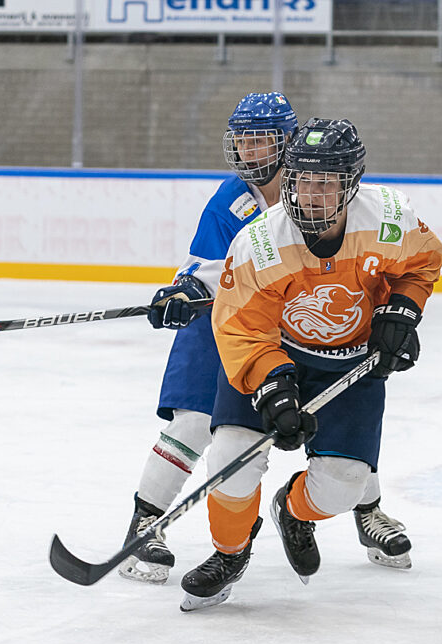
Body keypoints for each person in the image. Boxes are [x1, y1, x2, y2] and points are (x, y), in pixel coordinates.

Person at [121, 95, 413, 586]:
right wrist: (186, 289)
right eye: (243, 139)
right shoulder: (231, 200)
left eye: (262, 140)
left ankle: (367, 505)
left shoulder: (324, 184)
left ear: (287, 143)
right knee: (198, 420)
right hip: (234, 317)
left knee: (344, 401)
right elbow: (209, 266)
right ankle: (145, 521)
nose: (250, 151)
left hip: (299, 320)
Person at [178, 117, 442, 611]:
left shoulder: (389, 218)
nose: (309, 195)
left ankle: (291, 510)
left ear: (351, 185)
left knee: (343, 487)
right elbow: (239, 327)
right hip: (275, 355)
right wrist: (271, 386)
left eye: (325, 183)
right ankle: (229, 553)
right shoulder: (261, 243)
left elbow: (423, 262)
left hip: (350, 366)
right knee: (231, 459)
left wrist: (403, 308)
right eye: (300, 181)